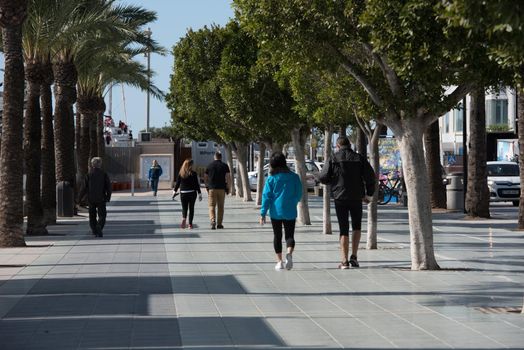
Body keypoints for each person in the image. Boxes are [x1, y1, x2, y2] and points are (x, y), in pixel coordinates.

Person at [318, 136, 375, 269]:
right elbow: (370, 176)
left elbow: (323, 177)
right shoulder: (359, 158)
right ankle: (354, 257)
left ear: (337, 146)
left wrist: (330, 180)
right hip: (357, 197)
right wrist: (369, 195)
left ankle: (344, 261)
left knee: (343, 229)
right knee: (357, 226)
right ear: (349, 145)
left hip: (340, 197)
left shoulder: (333, 158)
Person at [260, 152, 302, 270]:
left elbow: (266, 196)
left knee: (277, 236)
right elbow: (299, 193)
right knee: (290, 235)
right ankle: (289, 253)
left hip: (275, 211)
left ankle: (279, 261)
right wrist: (293, 201)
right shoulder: (294, 177)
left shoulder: (271, 179)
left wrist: (263, 213)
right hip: (290, 210)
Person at [79, 157, 111, 237]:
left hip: (91, 199)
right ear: (100, 164)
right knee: (102, 215)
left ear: (92, 164)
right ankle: (99, 226)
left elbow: (83, 188)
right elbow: (108, 187)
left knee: (92, 215)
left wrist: (79, 198)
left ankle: (94, 230)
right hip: (101, 198)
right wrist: (108, 197)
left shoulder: (89, 174)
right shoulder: (104, 174)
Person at [204, 151, 231, 229]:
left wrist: (207, 186)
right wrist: (229, 187)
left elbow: (205, 177)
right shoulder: (225, 166)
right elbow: (228, 177)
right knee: (221, 206)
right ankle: (219, 224)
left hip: (212, 188)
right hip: (222, 189)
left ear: (214, 157)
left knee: (211, 205)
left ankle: (213, 220)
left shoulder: (209, 166)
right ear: (221, 157)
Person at [173, 159, 202, 229]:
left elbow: (177, 183)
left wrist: (174, 191)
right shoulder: (193, 173)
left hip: (183, 193)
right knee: (191, 208)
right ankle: (190, 224)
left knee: (184, 208)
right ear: (190, 165)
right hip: (192, 193)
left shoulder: (181, 173)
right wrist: (199, 193)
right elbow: (196, 185)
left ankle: (184, 218)